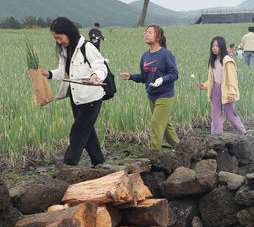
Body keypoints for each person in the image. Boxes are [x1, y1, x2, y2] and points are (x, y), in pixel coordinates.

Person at [41, 17, 108, 166]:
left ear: (68, 32)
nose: (58, 41)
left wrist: (96, 76)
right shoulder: (66, 50)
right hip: (76, 98)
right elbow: (65, 72)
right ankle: (100, 163)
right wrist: (49, 74)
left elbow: (100, 66)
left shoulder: (86, 47)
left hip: (91, 98)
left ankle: (69, 165)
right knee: (87, 133)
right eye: (56, 39)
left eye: (60, 37)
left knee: (77, 131)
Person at [119, 25, 180, 150]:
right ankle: (181, 149)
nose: (146, 34)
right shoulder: (145, 56)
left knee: (156, 123)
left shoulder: (166, 54)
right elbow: (144, 77)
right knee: (166, 125)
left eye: (150, 33)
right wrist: (130, 76)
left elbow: (174, 74)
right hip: (151, 95)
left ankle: (154, 154)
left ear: (158, 37)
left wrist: (162, 79)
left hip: (165, 95)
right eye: (145, 32)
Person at [198, 37, 246, 135]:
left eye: (217, 46)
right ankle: (216, 137)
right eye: (213, 46)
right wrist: (205, 85)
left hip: (227, 90)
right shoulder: (213, 60)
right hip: (216, 89)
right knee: (215, 115)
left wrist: (232, 93)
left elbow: (232, 79)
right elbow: (213, 78)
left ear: (221, 46)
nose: (214, 48)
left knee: (230, 114)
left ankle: (243, 133)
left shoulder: (227, 61)